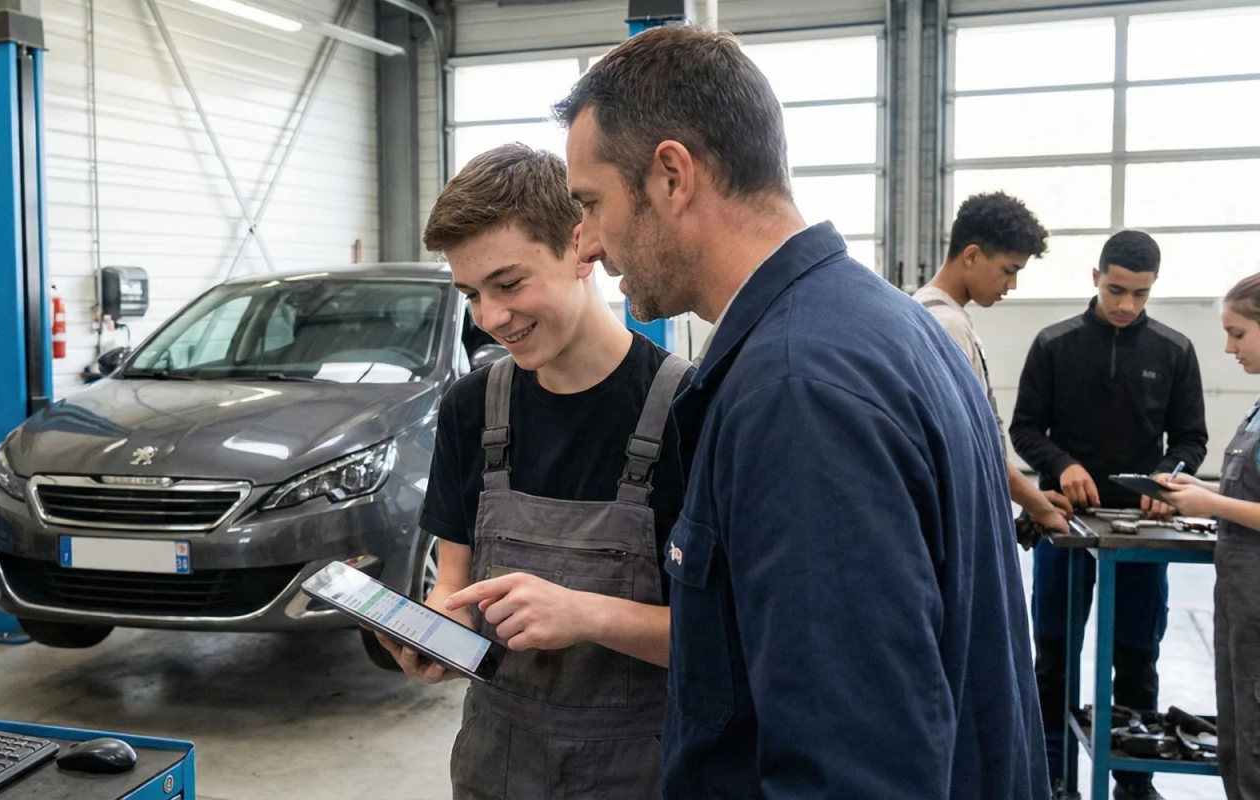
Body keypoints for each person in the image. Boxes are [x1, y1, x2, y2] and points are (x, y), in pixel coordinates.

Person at [550, 24, 1046, 798]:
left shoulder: (796, 389)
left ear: (672, 175)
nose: (584, 246)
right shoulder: (879, 324)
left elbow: (852, 769)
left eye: (591, 203)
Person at [381, 143, 691, 800]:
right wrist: (436, 636)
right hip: (496, 767)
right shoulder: (472, 409)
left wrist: (587, 614)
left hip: (641, 773)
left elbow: (729, 645)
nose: (491, 318)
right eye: (471, 293)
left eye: (509, 283)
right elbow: (455, 589)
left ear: (581, 247)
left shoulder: (690, 412)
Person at [1010, 229, 1208, 800]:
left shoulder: (1174, 351)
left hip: (1146, 532)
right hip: (1062, 524)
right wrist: (1061, 462)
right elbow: (1025, 428)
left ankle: (1134, 780)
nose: (1126, 305)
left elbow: (1191, 437)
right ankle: (1049, 772)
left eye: (1140, 295)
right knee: (1054, 656)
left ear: (1152, 290)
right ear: (1095, 277)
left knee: (1137, 658)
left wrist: (1168, 473)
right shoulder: (1054, 343)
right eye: (1117, 289)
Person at [1155, 272, 1260, 800]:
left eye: (1238, 333)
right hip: (1241, 602)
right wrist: (1202, 488)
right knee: (1237, 740)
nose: (1228, 346)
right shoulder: (1258, 409)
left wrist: (1211, 504)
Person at [915, 191, 1072, 536]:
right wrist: (1039, 507)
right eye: (1008, 270)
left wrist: (1033, 498)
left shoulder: (931, 314)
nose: (1012, 285)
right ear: (971, 255)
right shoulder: (947, 325)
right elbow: (973, 442)